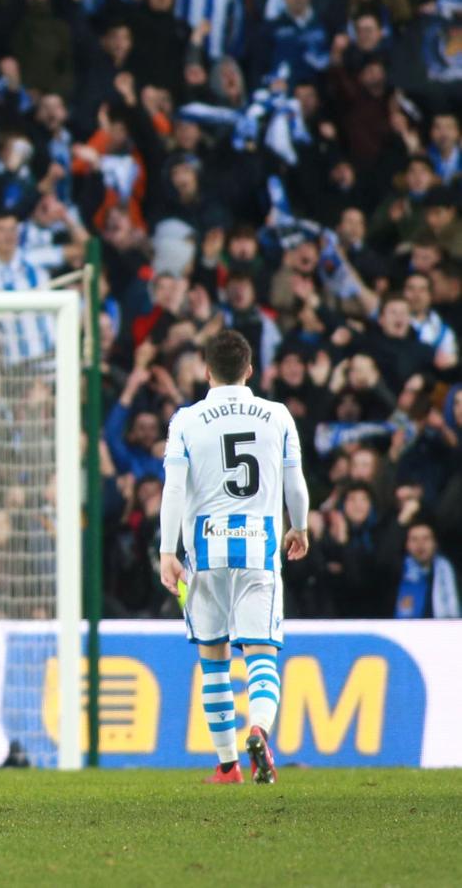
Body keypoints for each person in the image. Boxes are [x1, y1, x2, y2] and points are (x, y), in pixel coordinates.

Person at [158, 330, 310, 786]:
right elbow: (294, 482)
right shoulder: (277, 415)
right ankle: (259, 728)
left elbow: (173, 490)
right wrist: (298, 526)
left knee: (214, 659)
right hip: (260, 547)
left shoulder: (186, 419)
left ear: (206, 371)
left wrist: (167, 551)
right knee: (261, 653)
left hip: (205, 552)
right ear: (249, 370)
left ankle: (227, 767)